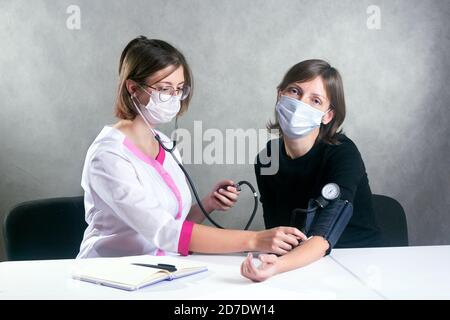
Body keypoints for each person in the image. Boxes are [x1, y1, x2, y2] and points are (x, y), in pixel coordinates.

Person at [77, 36, 305, 259]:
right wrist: (254, 240)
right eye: (164, 89)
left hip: (158, 269)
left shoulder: (164, 145)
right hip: (109, 275)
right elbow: (164, 231)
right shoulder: (108, 156)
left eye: (179, 89)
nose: (174, 98)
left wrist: (208, 203)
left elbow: (177, 225)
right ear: (133, 88)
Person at [240, 59, 383, 282]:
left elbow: (324, 234)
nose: (301, 104)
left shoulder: (343, 153)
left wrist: (278, 266)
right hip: (302, 265)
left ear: (327, 115)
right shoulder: (267, 159)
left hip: (359, 265)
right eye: (294, 91)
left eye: (315, 100)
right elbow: (278, 232)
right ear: (280, 95)